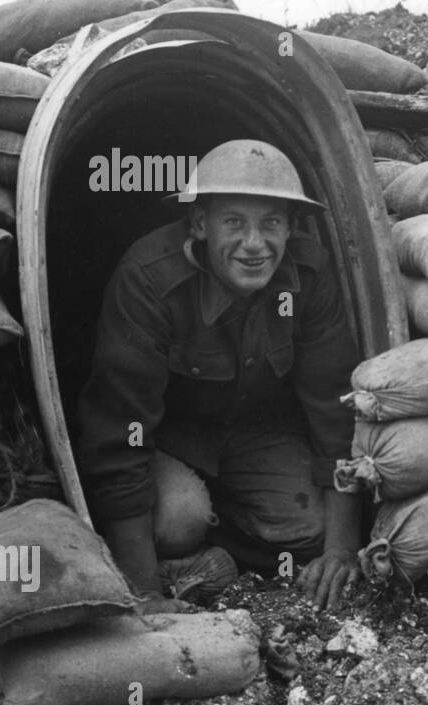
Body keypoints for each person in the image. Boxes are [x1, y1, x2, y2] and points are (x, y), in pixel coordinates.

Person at [75, 140, 363, 613]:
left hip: (257, 432)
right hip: (168, 436)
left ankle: (217, 556)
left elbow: (335, 405)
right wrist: (144, 592)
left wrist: (341, 550)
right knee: (178, 520)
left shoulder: (309, 273)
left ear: (291, 227)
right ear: (200, 223)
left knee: (309, 529)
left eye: (271, 222)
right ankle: (163, 556)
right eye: (234, 222)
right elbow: (118, 428)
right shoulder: (150, 278)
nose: (254, 244)